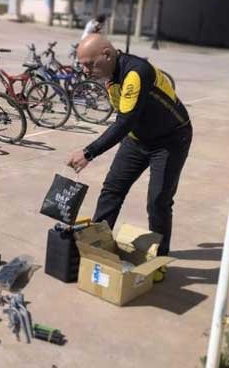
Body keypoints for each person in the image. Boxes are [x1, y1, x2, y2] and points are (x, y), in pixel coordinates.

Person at [65, 34, 192, 282]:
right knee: (112, 189)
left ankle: (159, 260)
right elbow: (126, 122)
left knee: (158, 201)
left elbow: (124, 122)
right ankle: (97, 247)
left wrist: (89, 152)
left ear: (107, 54)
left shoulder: (136, 73)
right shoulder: (112, 76)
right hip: (137, 138)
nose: (84, 70)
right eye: (81, 64)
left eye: (89, 63)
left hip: (170, 140)